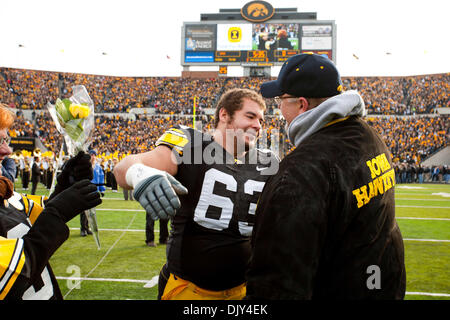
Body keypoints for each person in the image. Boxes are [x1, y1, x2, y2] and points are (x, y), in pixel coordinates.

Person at [245, 53, 406, 299]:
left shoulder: (301, 170)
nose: (278, 107)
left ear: (302, 104)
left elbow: (277, 285)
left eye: (280, 99)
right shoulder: (368, 136)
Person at [114, 88, 279, 300]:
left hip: (245, 290)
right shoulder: (192, 144)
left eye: (261, 120)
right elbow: (123, 168)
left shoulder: (267, 160)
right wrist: (140, 174)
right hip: (189, 289)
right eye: (250, 116)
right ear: (224, 115)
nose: (258, 125)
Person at [0, 103, 101, 300]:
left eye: (5, 139)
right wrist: (57, 213)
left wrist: (65, 184)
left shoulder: (5, 193)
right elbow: (14, 275)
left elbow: (35, 216)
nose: (7, 150)